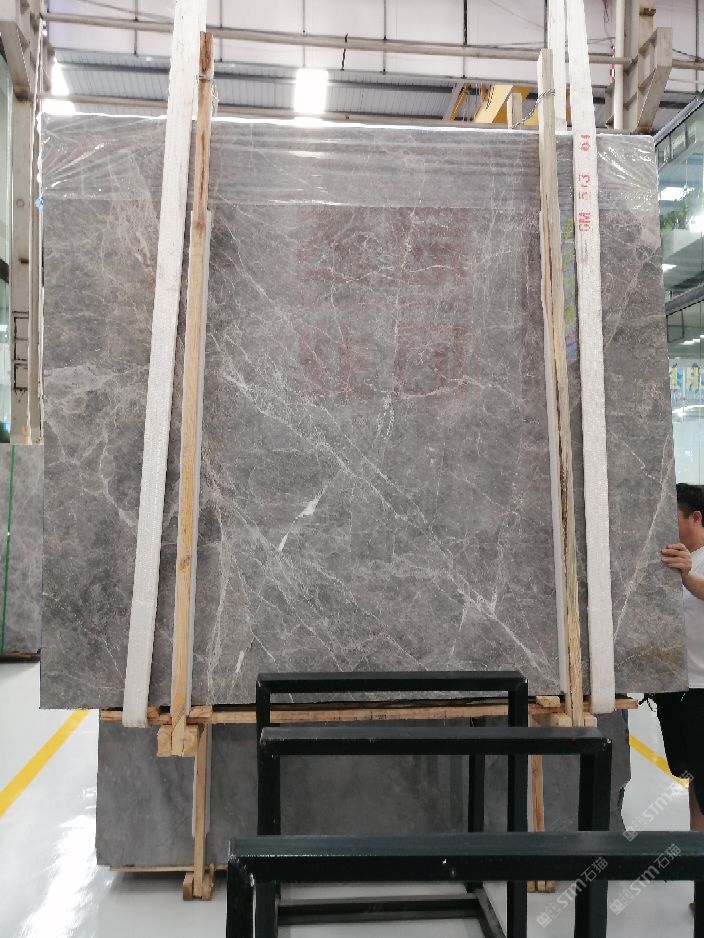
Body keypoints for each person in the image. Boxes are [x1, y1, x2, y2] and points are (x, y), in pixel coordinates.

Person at [657, 482, 704, 845]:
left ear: (695, 517)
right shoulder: (670, 558)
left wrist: (688, 576)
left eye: (672, 516)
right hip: (676, 688)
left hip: (703, 690)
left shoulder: (693, 563)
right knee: (693, 779)